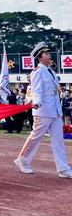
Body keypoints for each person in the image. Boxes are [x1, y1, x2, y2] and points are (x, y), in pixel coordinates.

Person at [15, 42, 72, 178]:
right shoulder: (37, 72)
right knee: (35, 137)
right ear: (40, 57)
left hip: (55, 110)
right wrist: (37, 102)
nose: (49, 55)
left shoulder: (51, 71)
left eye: (48, 53)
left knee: (58, 140)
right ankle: (22, 160)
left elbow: (55, 90)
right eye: (46, 54)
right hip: (43, 109)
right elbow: (36, 90)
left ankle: (63, 168)